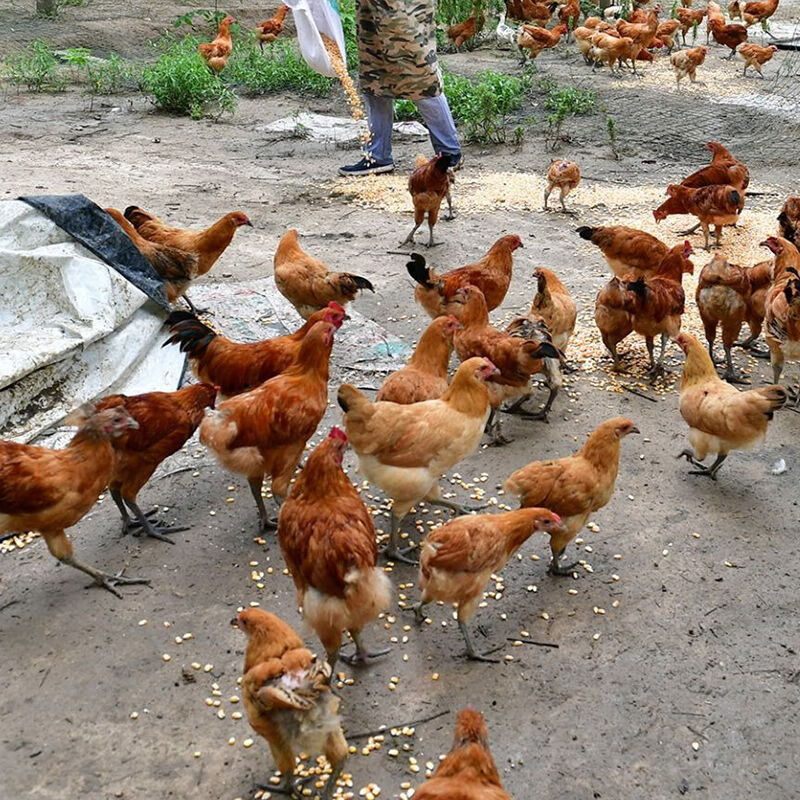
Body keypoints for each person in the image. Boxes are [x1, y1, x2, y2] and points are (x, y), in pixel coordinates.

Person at [339, 0, 462, 177]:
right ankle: (377, 156)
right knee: (374, 75)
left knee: (420, 76)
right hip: (371, 9)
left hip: (406, 8)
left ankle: (449, 152)